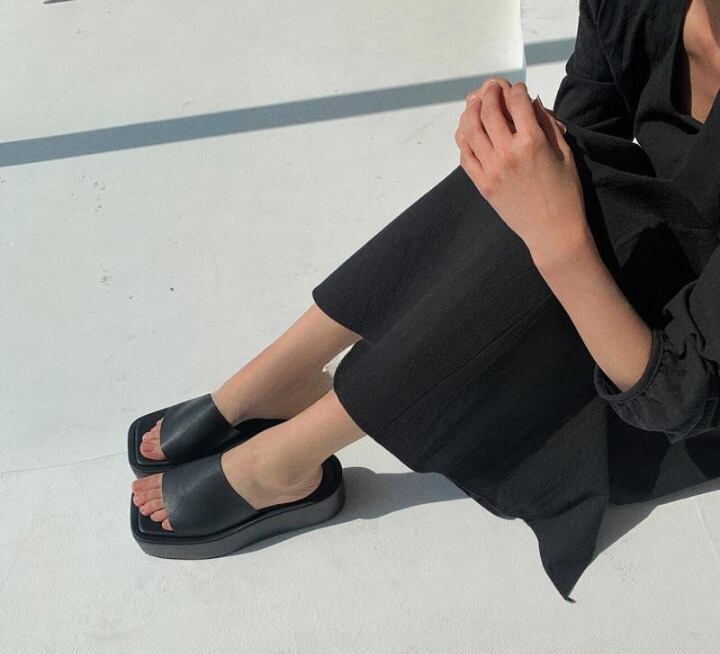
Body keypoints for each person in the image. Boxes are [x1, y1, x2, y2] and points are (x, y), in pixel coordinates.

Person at [130, 0, 720, 601]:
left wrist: (560, 242)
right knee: (542, 161)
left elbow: (680, 398)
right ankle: (282, 377)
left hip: (682, 398)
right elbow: (582, 137)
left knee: (551, 206)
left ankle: (282, 463)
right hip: (672, 277)